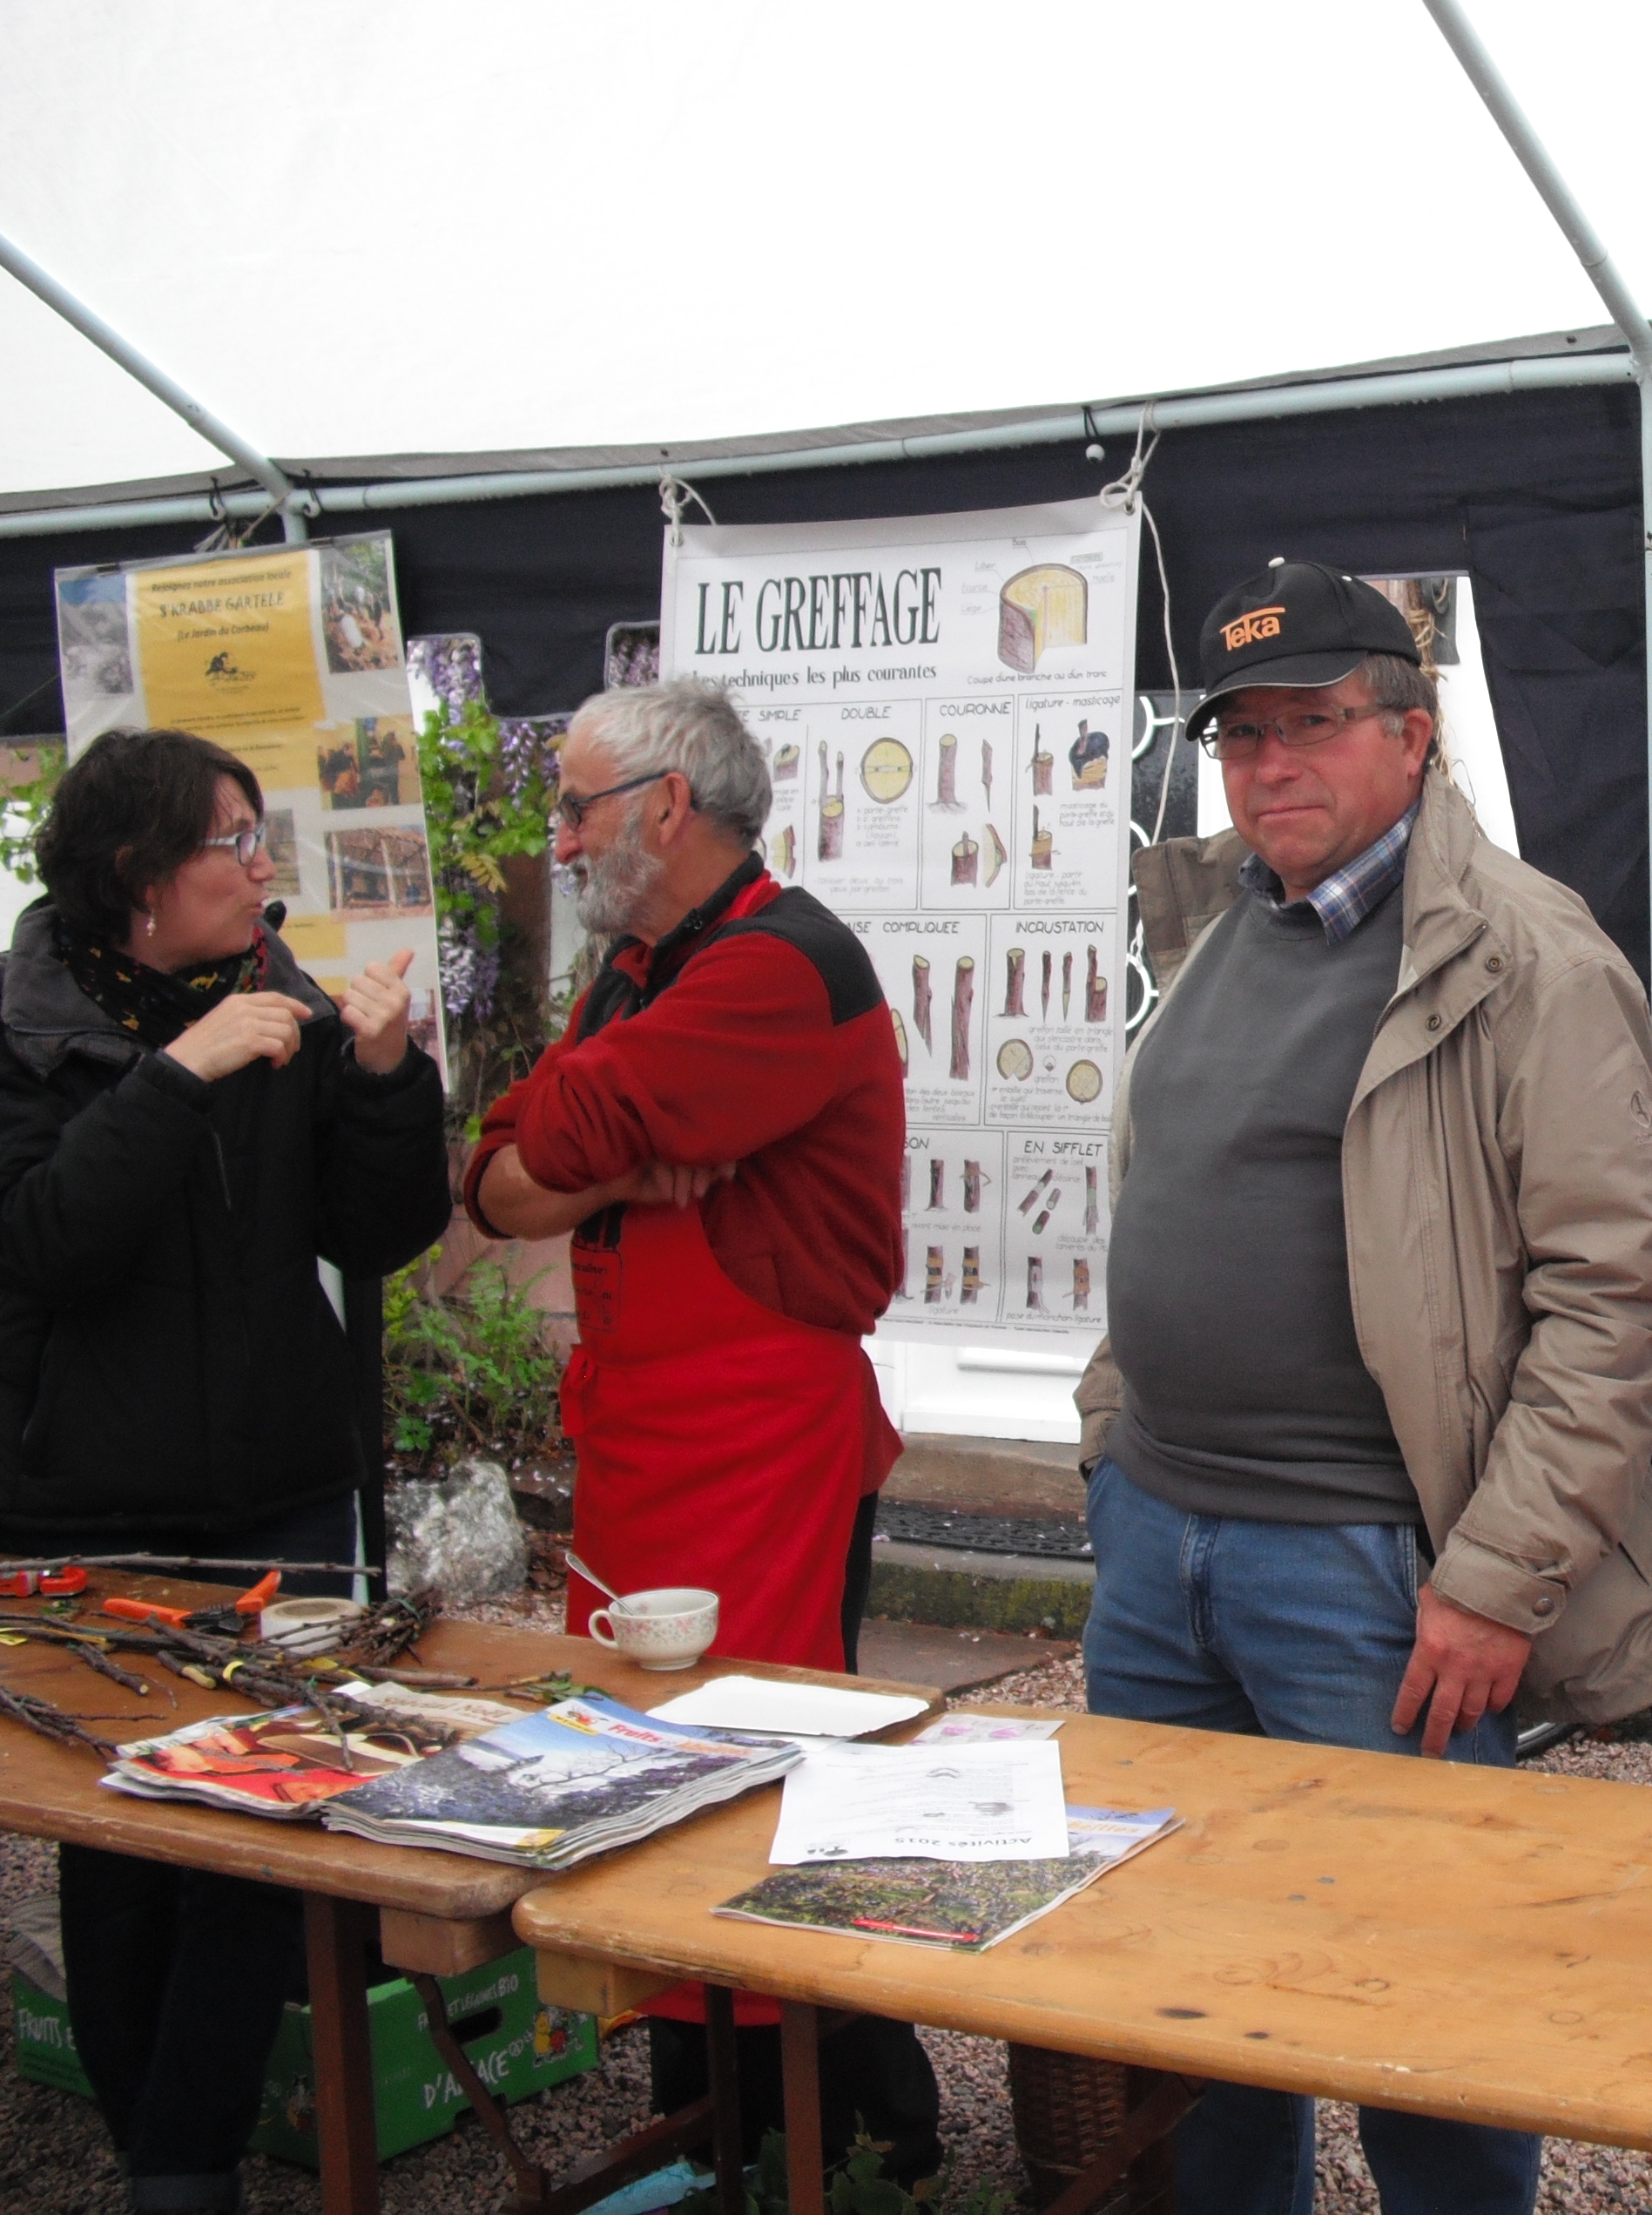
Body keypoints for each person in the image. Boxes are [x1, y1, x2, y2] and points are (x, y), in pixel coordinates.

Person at [1082, 562, 1652, 2215]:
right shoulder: (1221, 921)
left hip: (1367, 1574)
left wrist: (1497, 1579)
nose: (1270, 764)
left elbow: (1620, 1298)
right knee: (1184, 1977)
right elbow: (1160, 1191)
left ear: (1414, 733)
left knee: (1421, 1990)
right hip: (1160, 1541)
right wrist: (1110, 1448)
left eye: (1311, 724)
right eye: (1241, 735)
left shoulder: (1525, 956)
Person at [0, 726, 448, 2215]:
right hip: (90, 1503)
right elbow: (37, 1237)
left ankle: (180, 2166)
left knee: (257, 1842)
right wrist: (173, 1077)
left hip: (281, 1495)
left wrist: (387, 1075)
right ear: (139, 872)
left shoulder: (277, 1002)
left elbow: (376, 1229)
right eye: (235, 841)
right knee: (122, 1855)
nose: (264, 868)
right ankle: (167, 2158)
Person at [462, 677, 938, 2186]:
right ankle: (714, 2117)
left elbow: (553, 1136)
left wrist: (576, 1146)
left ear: (668, 805)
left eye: (575, 809)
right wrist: (607, 1162)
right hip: (639, 1440)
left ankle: (832, 2127)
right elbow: (497, 1172)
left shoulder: (785, 965)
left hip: (758, 1442)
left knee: (765, 1776)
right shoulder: (630, 973)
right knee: (634, 1763)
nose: (557, 840)